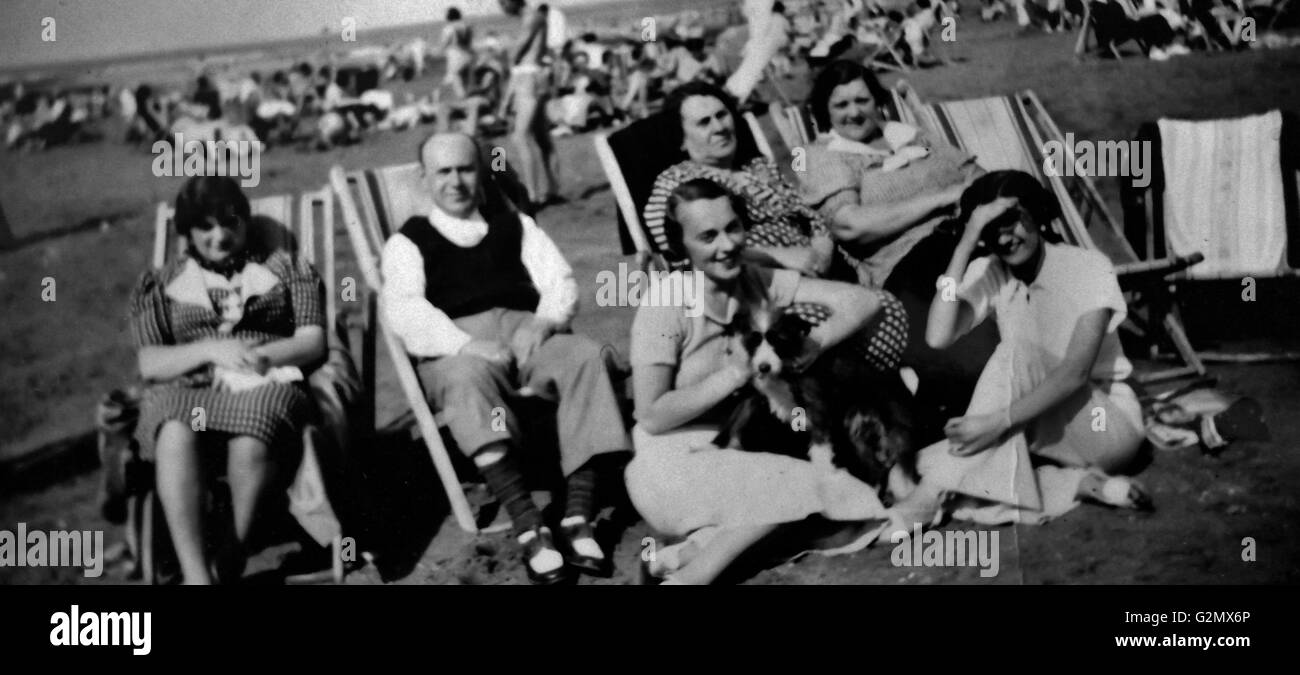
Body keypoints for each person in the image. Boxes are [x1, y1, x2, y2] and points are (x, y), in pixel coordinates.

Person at [380, 132, 631, 583]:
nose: (455, 182)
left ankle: (577, 516)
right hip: (455, 342)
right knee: (465, 379)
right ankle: (528, 524)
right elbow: (405, 310)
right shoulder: (409, 241)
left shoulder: (514, 224)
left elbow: (560, 281)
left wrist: (544, 321)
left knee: (585, 357)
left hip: (524, 330)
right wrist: (463, 343)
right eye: (443, 172)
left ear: (480, 171)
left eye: (465, 169)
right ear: (424, 178)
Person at [626, 178, 892, 585]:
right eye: (708, 236)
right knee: (812, 490)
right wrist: (734, 373)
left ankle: (691, 551)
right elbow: (652, 416)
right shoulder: (665, 304)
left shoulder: (755, 281)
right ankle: (694, 577)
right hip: (671, 462)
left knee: (838, 508)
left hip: (737, 451)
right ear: (680, 248)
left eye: (733, 228)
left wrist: (813, 344)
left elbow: (864, 300)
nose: (727, 245)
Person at [887, 171, 1151, 534]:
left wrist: (998, 421)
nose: (1005, 239)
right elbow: (937, 335)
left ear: (1037, 214)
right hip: (1043, 428)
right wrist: (964, 246)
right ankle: (1083, 485)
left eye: (1011, 222)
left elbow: (1074, 373)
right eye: (990, 232)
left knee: (1013, 360)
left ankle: (930, 496)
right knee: (927, 461)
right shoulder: (991, 271)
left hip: (1103, 423)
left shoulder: (1087, 266)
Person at [128, 176, 327, 584]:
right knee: (173, 427)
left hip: (266, 377)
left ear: (246, 222)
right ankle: (197, 575)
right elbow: (150, 362)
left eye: (230, 223)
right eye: (205, 227)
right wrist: (210, 351)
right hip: (193, 386)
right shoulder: (161, 283)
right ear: (187, 232)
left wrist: (257, 356)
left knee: (253, 427)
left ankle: (233, 552)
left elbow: (312, 340)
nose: (220, 236)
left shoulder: (284, 267)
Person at [800, 60, 988, 441]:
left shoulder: (914, 136)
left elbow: (976, 177)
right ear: (825, 112)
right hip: (909, 265)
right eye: (841, 105)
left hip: (971, 239)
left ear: (879, 101)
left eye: (862, 99)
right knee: (954, 338)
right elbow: (850, 224)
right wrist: (942, 199)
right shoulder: (825, 156)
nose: (854, 112)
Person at [643, 81, 840, 279]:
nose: (719, 127)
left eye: (722, 115)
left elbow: (808, 214)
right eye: (704, 122)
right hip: (753, 284)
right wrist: (776, 256)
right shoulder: (676, 182)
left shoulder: (758, 165)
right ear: (682, 139)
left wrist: (822, 250)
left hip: (817, 268)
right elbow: (678, 256)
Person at [499, 0, 563, 209]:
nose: (503, 9)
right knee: (541, 139)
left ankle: (533, 196)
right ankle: (552, 189)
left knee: (520, 137)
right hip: (532, 76)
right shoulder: (537, 17)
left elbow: (518, 52)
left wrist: (510, 56)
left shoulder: (532, 17)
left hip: (528, 78)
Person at [439, 7, 475, 100]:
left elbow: (444, 44)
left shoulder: (448, 28)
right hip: (468, 56)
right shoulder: (467, 26)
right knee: (467, 83)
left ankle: (464, 104)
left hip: (456, 57)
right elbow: (469, 42)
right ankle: (470, 101)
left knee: (458, 85)